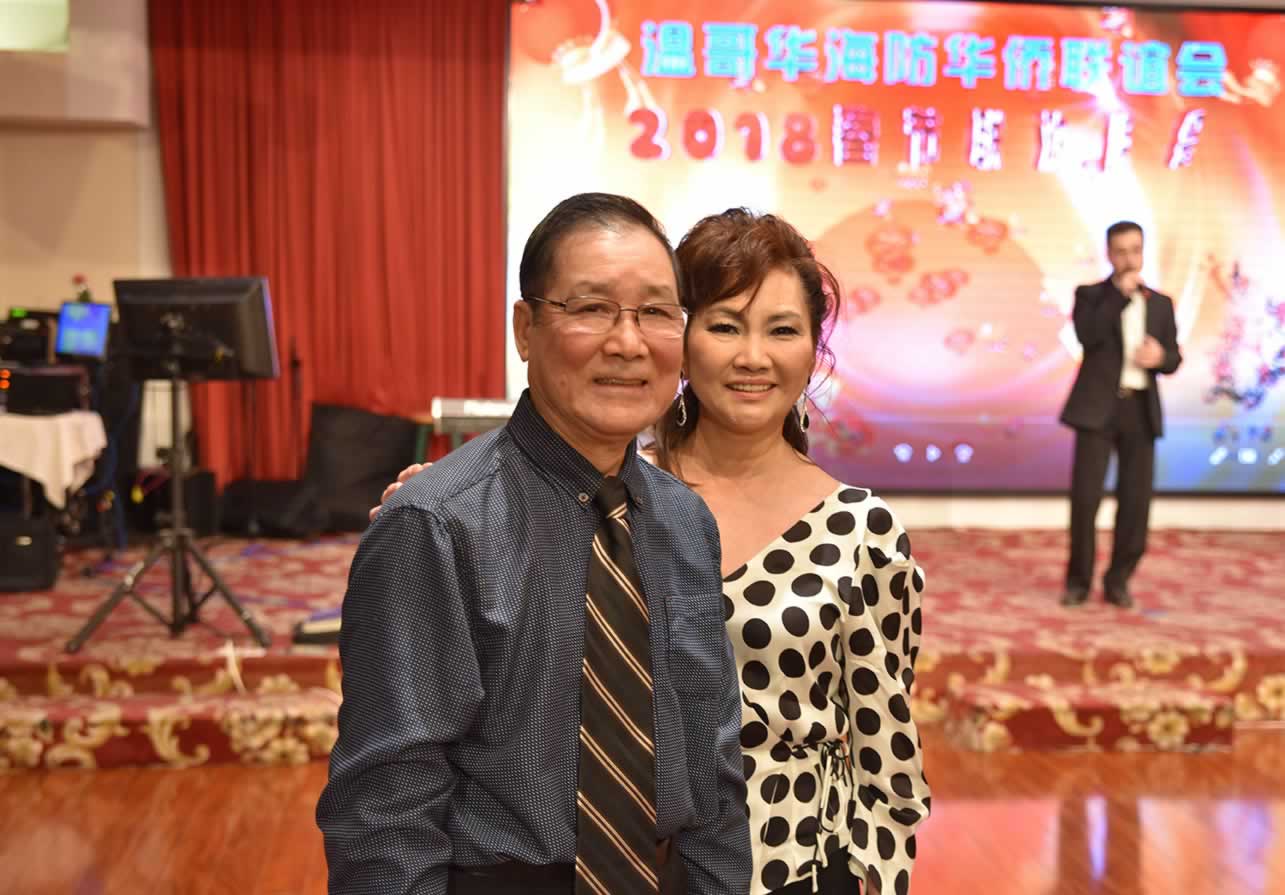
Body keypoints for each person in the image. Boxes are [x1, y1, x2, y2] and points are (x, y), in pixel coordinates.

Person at [378, 209, 931, 895]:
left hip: (790, 863)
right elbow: (398, 774)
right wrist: (442, 506)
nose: (752, 357)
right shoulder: (605, 492)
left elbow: (886, 755)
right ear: (684, 337)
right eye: (724, 326)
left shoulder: (856, 530)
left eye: (782, 330)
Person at [319, 192, 753, 895]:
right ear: (525, 328)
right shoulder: (436, 524)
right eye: (591, 308)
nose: (628, 342)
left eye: (655, 312)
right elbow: (385, 814)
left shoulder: (683, 522)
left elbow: (712, 766)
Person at [1059, 220, 1182, 609]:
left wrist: (1161, 357)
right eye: (1121, 251)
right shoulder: (1091, 296)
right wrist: (1119, 297)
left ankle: (1118, 579)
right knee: (1085, 500)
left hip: (1139, 410)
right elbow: (1088, 335)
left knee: (1135, 502)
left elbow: (1174, 356)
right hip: (1097, 410)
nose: (1130, 259)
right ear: (1109, 255)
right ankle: (1078, 581)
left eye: (1136, 250)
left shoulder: (1160, 303)